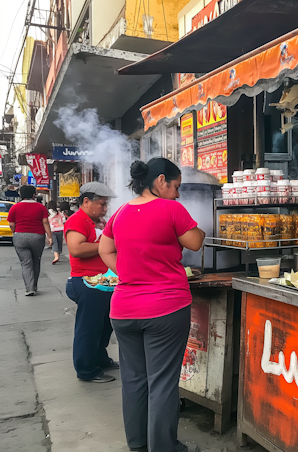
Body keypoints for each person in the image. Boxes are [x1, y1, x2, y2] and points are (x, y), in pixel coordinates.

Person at [99, 158, 205, 452]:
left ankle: (137, 445)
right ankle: (163, 447)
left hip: (123, 310)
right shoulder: (171, 209)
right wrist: (200, 231)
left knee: (134, 380)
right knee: (162, 383)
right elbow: (195, 242)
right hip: (165, 309)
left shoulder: (120, 213)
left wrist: (128, 272)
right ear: (161, 181)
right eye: (176, 187)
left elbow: (104, 248)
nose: (178, 194)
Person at [64, 182, 119, 383]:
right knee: (89, 328)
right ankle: (86, 369)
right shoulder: (77, 220)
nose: (105, 209)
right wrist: (104, 245)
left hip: (105, 281)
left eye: (106, 205)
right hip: (87, 282)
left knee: (105, 325)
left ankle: (99, 358)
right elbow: (76, 249)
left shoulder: (99, 222)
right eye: (102, 204)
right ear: (86, 201)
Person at [7, 185, 53, 296]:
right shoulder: (41, 207)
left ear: (21, 195)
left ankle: (29, 288)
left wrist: (16, 233)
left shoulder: (15, 207)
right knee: (36, 261)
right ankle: (35, 285)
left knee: (25, 263)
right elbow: (45, 222)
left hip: (20, 236)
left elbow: (11, 224)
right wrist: (49, 236)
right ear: (34, 195)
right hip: (37, 236)